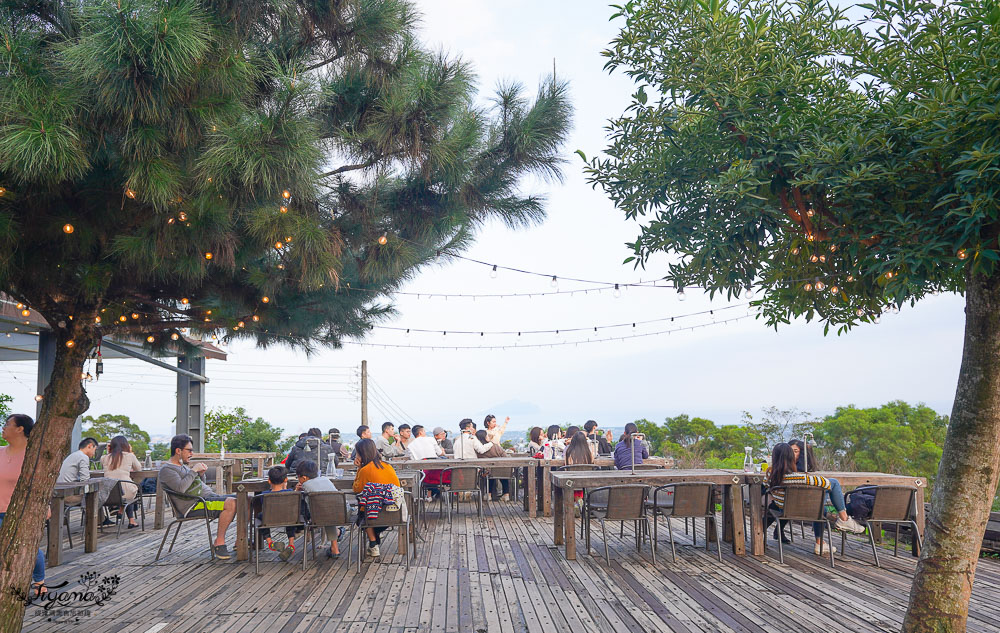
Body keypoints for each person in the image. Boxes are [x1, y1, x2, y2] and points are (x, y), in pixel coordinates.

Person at [765, 443, 866, 556]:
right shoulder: (801, 478)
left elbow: (767, 488)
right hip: (808, 511)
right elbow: (826, 484)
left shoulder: (769, 476)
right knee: (832, 484)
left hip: (783, 511)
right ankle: (843, 520)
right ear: (791, 457)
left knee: (820, 502)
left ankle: (822, 542)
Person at [159, 434, 237, 559]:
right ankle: (219, 542)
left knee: (245, 500)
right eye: (189, 450)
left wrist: (201, 475)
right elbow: (181, 489)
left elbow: (197, 487)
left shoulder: (182, 466)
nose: (192, 453)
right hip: (193, 506)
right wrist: (193, 471)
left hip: (206, 499)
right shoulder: (167, 470)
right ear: (178, 451)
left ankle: (241, 541)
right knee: (232, 503)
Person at [0, 414, 47, 598]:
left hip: (20, 511)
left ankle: (39, 581)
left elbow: (41, 483)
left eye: (7, 424)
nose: (3, 427)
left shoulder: (34, 455)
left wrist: (45, 506)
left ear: (20, 429)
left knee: (27, 546)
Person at [352, 438, 401, 557]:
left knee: (364, 509)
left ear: (362, 454)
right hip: (393, 512)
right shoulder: (388, 466)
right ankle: (374, 542)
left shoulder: (365, 470)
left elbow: (357, 489)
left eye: (357, 453)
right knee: (372, 502)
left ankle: (373, 543)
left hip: (373, 515)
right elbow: (397, 487)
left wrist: (359, 469)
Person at [294, 460, 341, 559]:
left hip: (320, 517)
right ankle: (335, 547)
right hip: (343, 513)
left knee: (325, 514)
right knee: (328, 513)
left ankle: (338, 534)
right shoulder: (325, 479)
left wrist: (297, 491)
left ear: (304, 478)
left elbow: (295, 502)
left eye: (298, 477)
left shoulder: (305, 485)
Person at [254, 465, 301, 561]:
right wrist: (291, 488)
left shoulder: (264, 494)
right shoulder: (291, 492)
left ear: (269, 481)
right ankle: (291, 544)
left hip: (270, 519)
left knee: (260, 517)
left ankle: (270, 542)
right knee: (290, 515)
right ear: (286, 479)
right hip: (288, 518)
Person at [100, 435, 142, 528]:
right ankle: (130, 519)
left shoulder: (104, 458)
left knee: (126, 492)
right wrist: (131, 452)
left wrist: (108, 451)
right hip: (126, 491)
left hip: (108, 493)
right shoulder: (129, 456)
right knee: (131, 490)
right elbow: (138, 468)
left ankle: (122, 511)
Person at [475, 430, 510, 501]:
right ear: (485, 437)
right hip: (502, 468)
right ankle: (506, 494)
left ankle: (489, 494)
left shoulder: (478, 450)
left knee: (490, 473)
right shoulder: (495, 446)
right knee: (502, 472)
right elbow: (505, 456)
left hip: (487, 471)